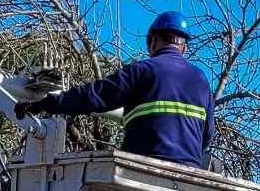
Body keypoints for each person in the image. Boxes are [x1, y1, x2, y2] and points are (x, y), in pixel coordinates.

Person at [15, 11, 214, 168]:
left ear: (153, 41)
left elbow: (92, 97)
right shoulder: (202, 81)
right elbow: (207, 136)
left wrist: (44, 103)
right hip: (189, 174)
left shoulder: (141, 71)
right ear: (184, 48)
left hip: (143, 168)